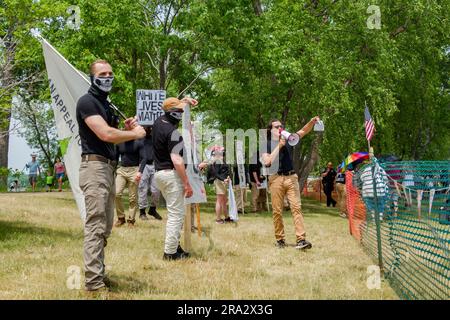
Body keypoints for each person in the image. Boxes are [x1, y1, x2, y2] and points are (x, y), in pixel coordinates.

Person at [76, 59, 146, 292]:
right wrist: (134, 134)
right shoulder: (88, 102)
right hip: (94, 168)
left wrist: (126, 131)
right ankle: (94, 284)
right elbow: (104, 134)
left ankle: (98, 272)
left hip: (108, 167)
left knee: (105, 227)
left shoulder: (106, 105)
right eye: (102, 73)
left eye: (110, 73)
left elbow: (112, 138)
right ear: (93, 77)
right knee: (96, 225)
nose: (107, 77)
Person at [262, 117, 320, 250]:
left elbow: (303, 131)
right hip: (275, 179)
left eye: (281, 126)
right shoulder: (267, 144)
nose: (280, 128)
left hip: (291, 177)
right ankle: (280, 240)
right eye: (276, 127)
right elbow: (267, 161)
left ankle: (301, 240)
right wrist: (280, 145)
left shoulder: (289, 138)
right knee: (277, 211)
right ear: (270, 130)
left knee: (296, 208)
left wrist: (311, 122)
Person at [153, 96, 197, 260]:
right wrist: (187, 183)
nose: (181, 112)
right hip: (171, 174)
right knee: (176, 216)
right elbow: (177, 160)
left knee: (174, 213)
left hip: (160, 174)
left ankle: (175, 247)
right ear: (171, 112)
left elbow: (172, 107)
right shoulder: (172, 133)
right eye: (178, 111)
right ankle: (170, 253)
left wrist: (185, 101)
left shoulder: (158, 122)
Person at [114, 139, 143, 227]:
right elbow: (115, 157)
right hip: (121, 170)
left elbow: (144, 158)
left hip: (134, 170)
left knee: (132, 198)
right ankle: (121, 218)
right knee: (116, 194)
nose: (128, 125)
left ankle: (131, 220)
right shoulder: (119, 142)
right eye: (126, 123)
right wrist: (112, 169)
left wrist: (140, 171)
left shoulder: (139, 142)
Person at [136, 126, 162, 222]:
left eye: (150, 127)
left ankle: (152, 209)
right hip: (142, 165)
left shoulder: (155, 138)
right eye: (146, 127)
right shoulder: (139, 138)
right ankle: (142, 212)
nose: (148, 129)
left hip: (154, 165)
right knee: (142, 188)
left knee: (156, 189)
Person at [201, 146, 232, 224]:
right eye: (221, 151)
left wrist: (228, 178)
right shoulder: (217, 161)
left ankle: (226, 217)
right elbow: (215, 174)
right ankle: (218, 219)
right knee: (219, 200)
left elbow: (224, 171)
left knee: (224, 201)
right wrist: (223, 179)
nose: (223, 152)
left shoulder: (221, 160)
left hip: (224, 182)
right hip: (219, 182)